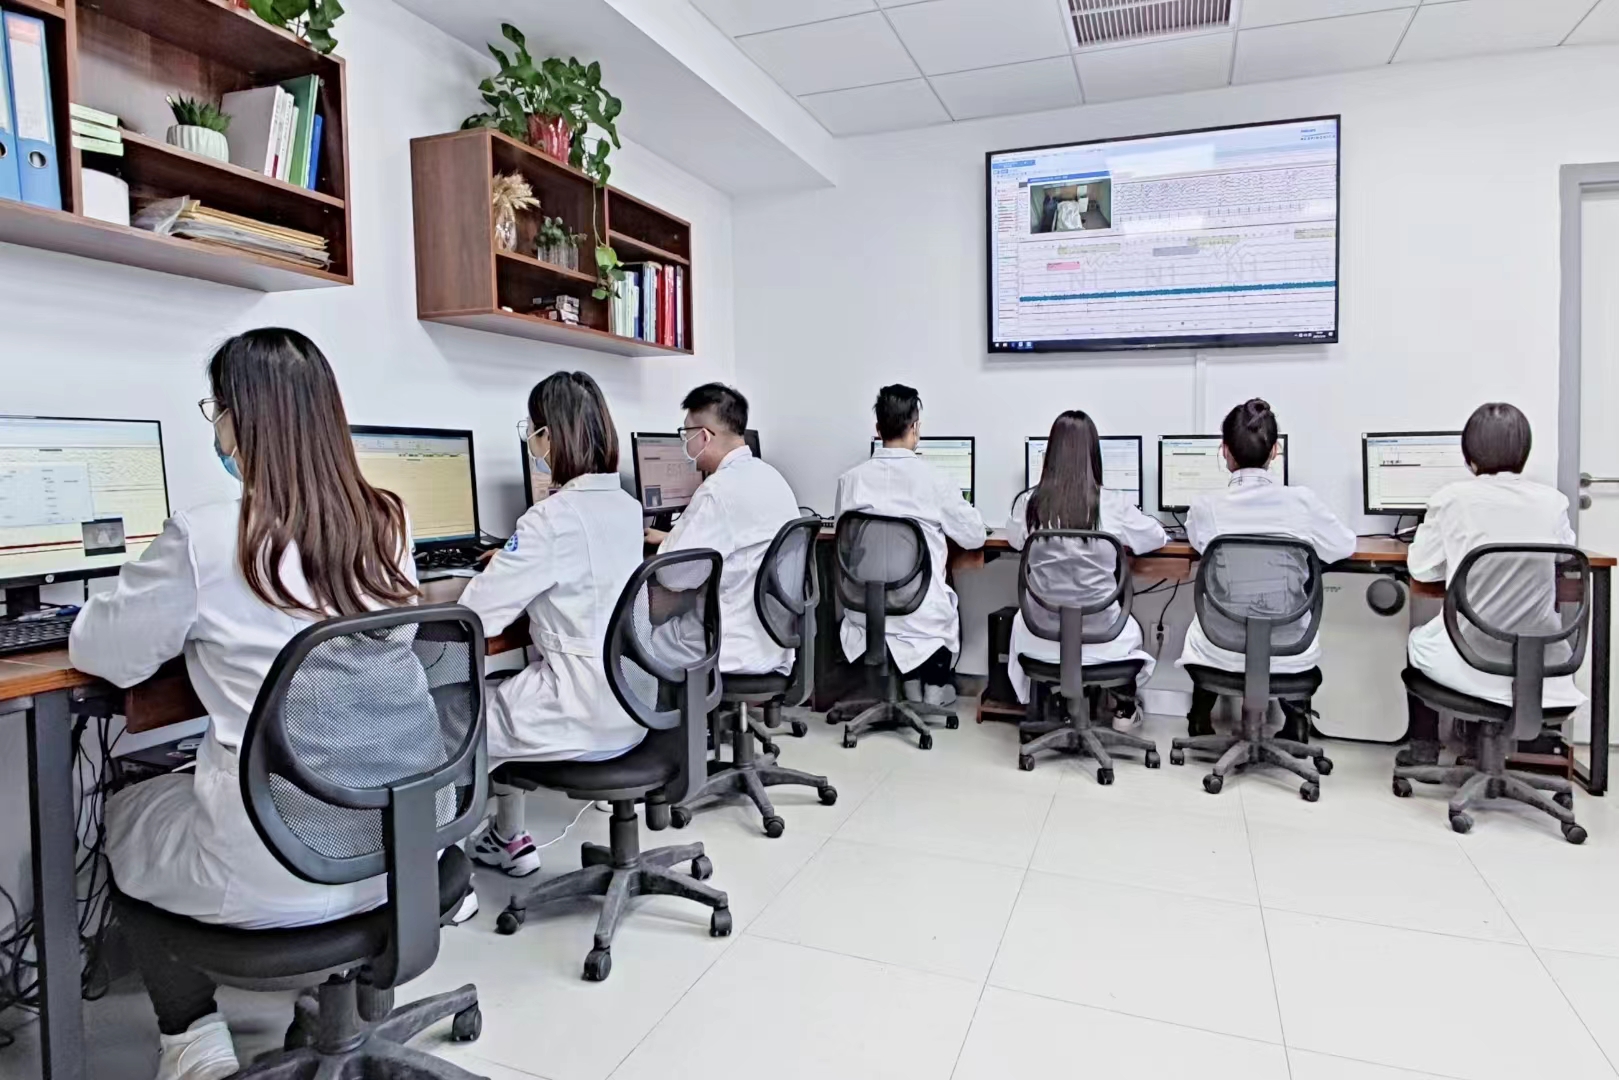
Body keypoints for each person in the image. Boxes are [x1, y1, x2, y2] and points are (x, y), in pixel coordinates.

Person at [70, 329, 423, 1080]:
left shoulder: (205, 535)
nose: (218, 429)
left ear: (242, 418)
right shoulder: (388, 522)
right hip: (399, 848)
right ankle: (343, 1000)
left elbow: (105, 653)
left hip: (274, 864)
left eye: (217, 411)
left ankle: (190, 1037)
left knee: (120, 809)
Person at [459, 371, 646, 876]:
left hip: (580, 712)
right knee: (506, 688)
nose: (532, 442)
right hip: (634, 704)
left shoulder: (550, 518)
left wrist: (506, 562)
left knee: (453, 716)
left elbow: (475, 617)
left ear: (550, 435)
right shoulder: (627, 507)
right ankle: (506, 838)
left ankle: (444, 868)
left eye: (533, 429)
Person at [1400, 402, 1584, 765]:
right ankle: (1481, 748)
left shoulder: (1452, 499)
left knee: (1417, 638)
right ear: (1524, 453)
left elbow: (1421, 570)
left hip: (1473, 659)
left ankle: (1424, 751)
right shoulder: (1553, 502)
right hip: (1539, 662)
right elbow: (1566, 556)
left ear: (1469, 456)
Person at [1177, 398, 1356, 737]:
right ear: (1275, 451)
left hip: (1222, 645)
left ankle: (1199, 720)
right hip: (1289, 647)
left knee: (1207, 616)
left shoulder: (1205, 507)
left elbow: (1201, 545)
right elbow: (1344, 546)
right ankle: (1296, 725)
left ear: (1225, 451)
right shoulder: (1302, 502)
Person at [1006, 410, 1167, 729]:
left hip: (1043, 631)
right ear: (1094, 454)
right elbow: (1156, 537)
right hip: (1101, 632)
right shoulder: (1114, 504)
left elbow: (1013, 540)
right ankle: (1124, 705)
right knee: (1128, 621)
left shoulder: (1028, 504)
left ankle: (1060, 704)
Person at [834, 384, 985, 704]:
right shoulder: (936, 479)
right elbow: (974, 537)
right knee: (943, 598)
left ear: (878, 429)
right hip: (917, 610)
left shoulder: (850, 481)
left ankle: (912, 688)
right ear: (915, 427)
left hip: (865, 608)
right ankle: (932, 689)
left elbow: (844, 543)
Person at [646, 383, 800, 675]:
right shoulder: (772, 477)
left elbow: (673, 577)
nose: (685, 444)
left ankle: (662, 709)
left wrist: (668, 544)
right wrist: (674, 537)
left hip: (725, 645)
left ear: (703, 436)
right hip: (773, 640)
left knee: (635, 639)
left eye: (686, 435)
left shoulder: (717, 490)